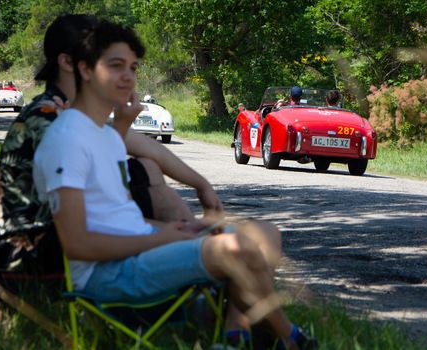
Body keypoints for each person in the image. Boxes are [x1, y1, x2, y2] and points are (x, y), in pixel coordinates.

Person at [33, 19, 315, 350]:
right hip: (107, 275)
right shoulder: (66, 139)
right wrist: (160, 238)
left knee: (265, 233)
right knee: (237, 249)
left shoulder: (107, 137)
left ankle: (235, 335)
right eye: (115, 65)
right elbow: (78, 244)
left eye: (133, 67)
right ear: (84, 69)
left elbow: (118, 216)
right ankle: (289, 338)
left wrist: (176, 228)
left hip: (141, 247)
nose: (128, 76)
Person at [0, 14, 221, 277]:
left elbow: (145, 146)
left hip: (60, 231)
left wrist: (202, 184)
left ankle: (202, 259)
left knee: (146, 167)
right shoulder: (48, 116)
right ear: (71, 62)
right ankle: (203, 263)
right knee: (145, 172)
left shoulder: (73, 111)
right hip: (32, 247)